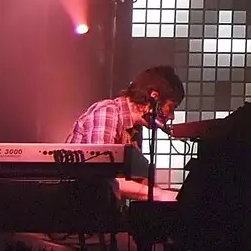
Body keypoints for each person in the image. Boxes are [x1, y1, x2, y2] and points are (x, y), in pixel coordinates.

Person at [66, 66, 185, 201]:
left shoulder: (133, 129)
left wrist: (167, 194)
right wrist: (161, 195)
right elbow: (104, 179)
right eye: (171, 107)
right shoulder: (108, 112)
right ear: (155, 98)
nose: (172, 116)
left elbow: (140, 181)